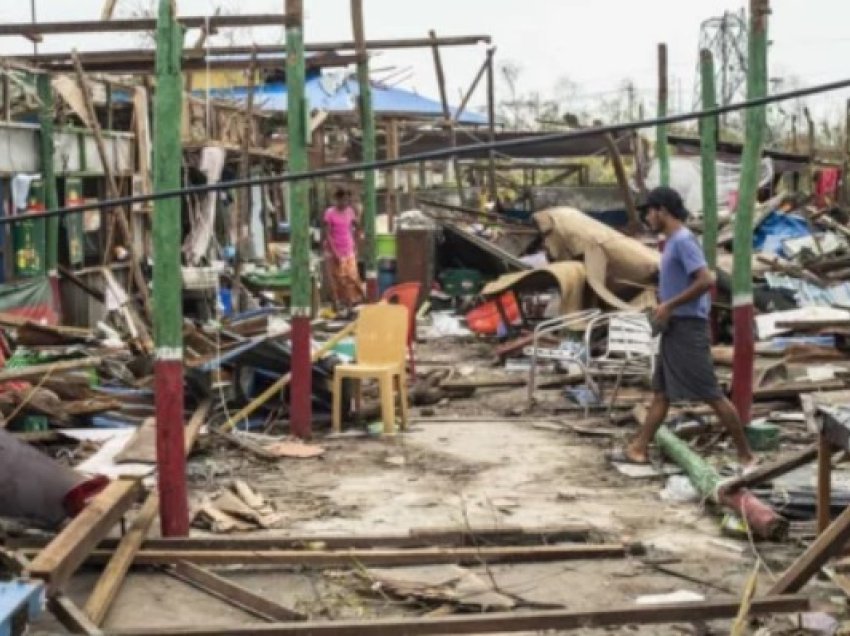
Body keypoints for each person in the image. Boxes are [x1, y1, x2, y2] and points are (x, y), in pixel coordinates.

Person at [609, 186, 757, 471]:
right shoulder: (673, 242)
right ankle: (638, 448)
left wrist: (670, 305)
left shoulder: (683, 241)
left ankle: (746, 456)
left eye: (649, 212)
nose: (647, 219)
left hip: (688, 328)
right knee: (662, 393)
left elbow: (705, 280)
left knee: (711, 393)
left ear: (662, 210)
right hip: (674, 327)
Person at [323, 188, 365, 316]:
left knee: (351, 277)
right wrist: (334, 252)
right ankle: (337, 305)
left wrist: (356, 244)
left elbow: (357, 226)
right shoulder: (330, 213)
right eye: (341, 200)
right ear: (337, 200)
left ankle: (350, 305)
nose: (344, 202)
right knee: (337, 279)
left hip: (348, 249)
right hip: (333, 250)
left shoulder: (350, 212)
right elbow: (327, 234)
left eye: (346, 200)